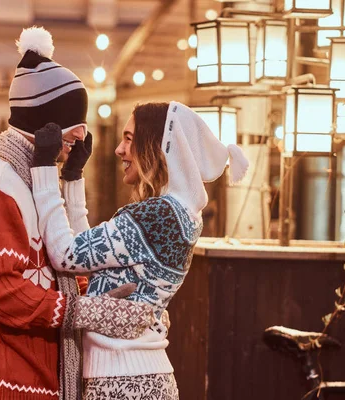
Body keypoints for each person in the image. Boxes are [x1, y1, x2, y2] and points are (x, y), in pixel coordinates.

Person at [0, 27, 154, 400]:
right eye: (75, 128)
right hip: (7, 384)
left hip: (32, 379)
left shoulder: (27, 183)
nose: (80, 138)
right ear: (46, 124)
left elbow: (63, 262)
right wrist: (89, 311)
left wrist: (69, 180)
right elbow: (1, 293)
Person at [30, 102, 250, 399]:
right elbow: (88, 258)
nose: (120, 149)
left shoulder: (157, 216)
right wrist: (72, 179)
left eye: (129, 139)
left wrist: (44, 170)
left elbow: (65, 254)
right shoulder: (177, 213)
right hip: (136, 377)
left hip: (124, 382)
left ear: (157, 146)